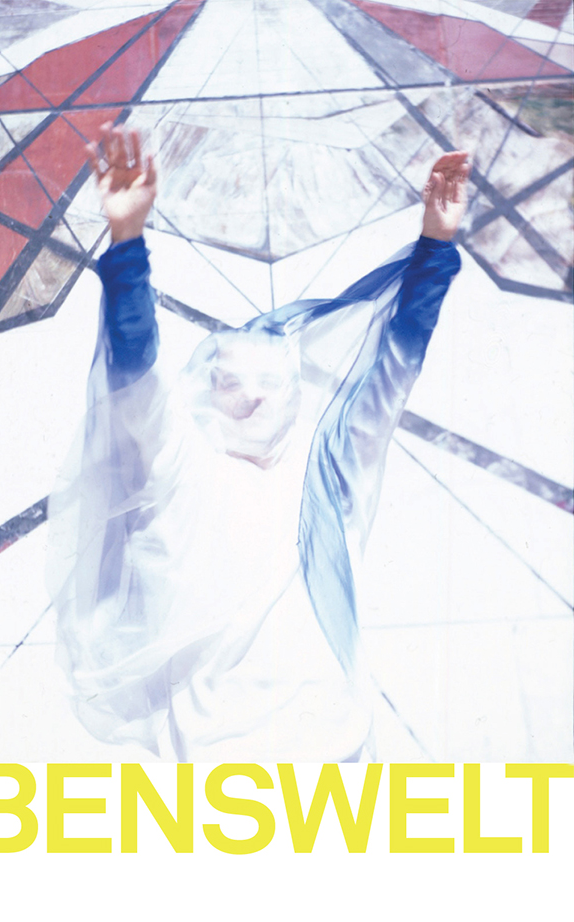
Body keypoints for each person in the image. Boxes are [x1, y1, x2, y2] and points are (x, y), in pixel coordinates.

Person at [47, 125, 470, 761]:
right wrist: (127, 242)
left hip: (335, 761)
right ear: (207, 393)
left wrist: (435, 247)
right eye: (231, 382)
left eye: (270, 383)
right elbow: (135, 370)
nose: (251, 397)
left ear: (296, 395)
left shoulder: (328, 478)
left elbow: (392, 371)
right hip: (217, 770)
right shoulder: (180, 470)